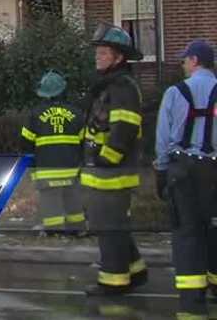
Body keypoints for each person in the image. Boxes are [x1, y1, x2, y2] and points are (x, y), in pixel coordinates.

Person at [81, 22, 147, 297]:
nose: (98, 56)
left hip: (112, 173)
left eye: (104, 52)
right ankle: (135, 269)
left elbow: (125, 128)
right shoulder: (109, 85)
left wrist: (106, 160)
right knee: (112, 225)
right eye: (98, 52)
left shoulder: (122, 87)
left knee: (109, 228)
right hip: (103, 172)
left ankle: (113, 282)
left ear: (119, 57)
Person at [154, 39, 217, 317]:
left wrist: (161, 171)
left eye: (184, 60)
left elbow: (163, 138)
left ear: (194, 60)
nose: (182, 64)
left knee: (188, 234)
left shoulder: (175, 92)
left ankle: (192, 305)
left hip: (183, 172)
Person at [19, 70, 85, 236]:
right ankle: (78, 230)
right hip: (71, 169)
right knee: (73, 201)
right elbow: (84, 143)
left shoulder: (35, 114)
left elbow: (26, 143)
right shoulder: (77, 113)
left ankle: (54, 231)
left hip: (46, 170)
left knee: (50, 202)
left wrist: (31, 167)